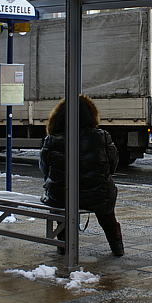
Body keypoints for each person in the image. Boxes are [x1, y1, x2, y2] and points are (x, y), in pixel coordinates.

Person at [39, 95, 124, 257]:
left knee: (60, 209)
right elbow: (113, 165)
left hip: (62, 196)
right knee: (107, 213)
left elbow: (44, 169)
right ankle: (117, 246)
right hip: (98, 195)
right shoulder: (102, 137)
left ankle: (63, 245)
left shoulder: (51, 140)